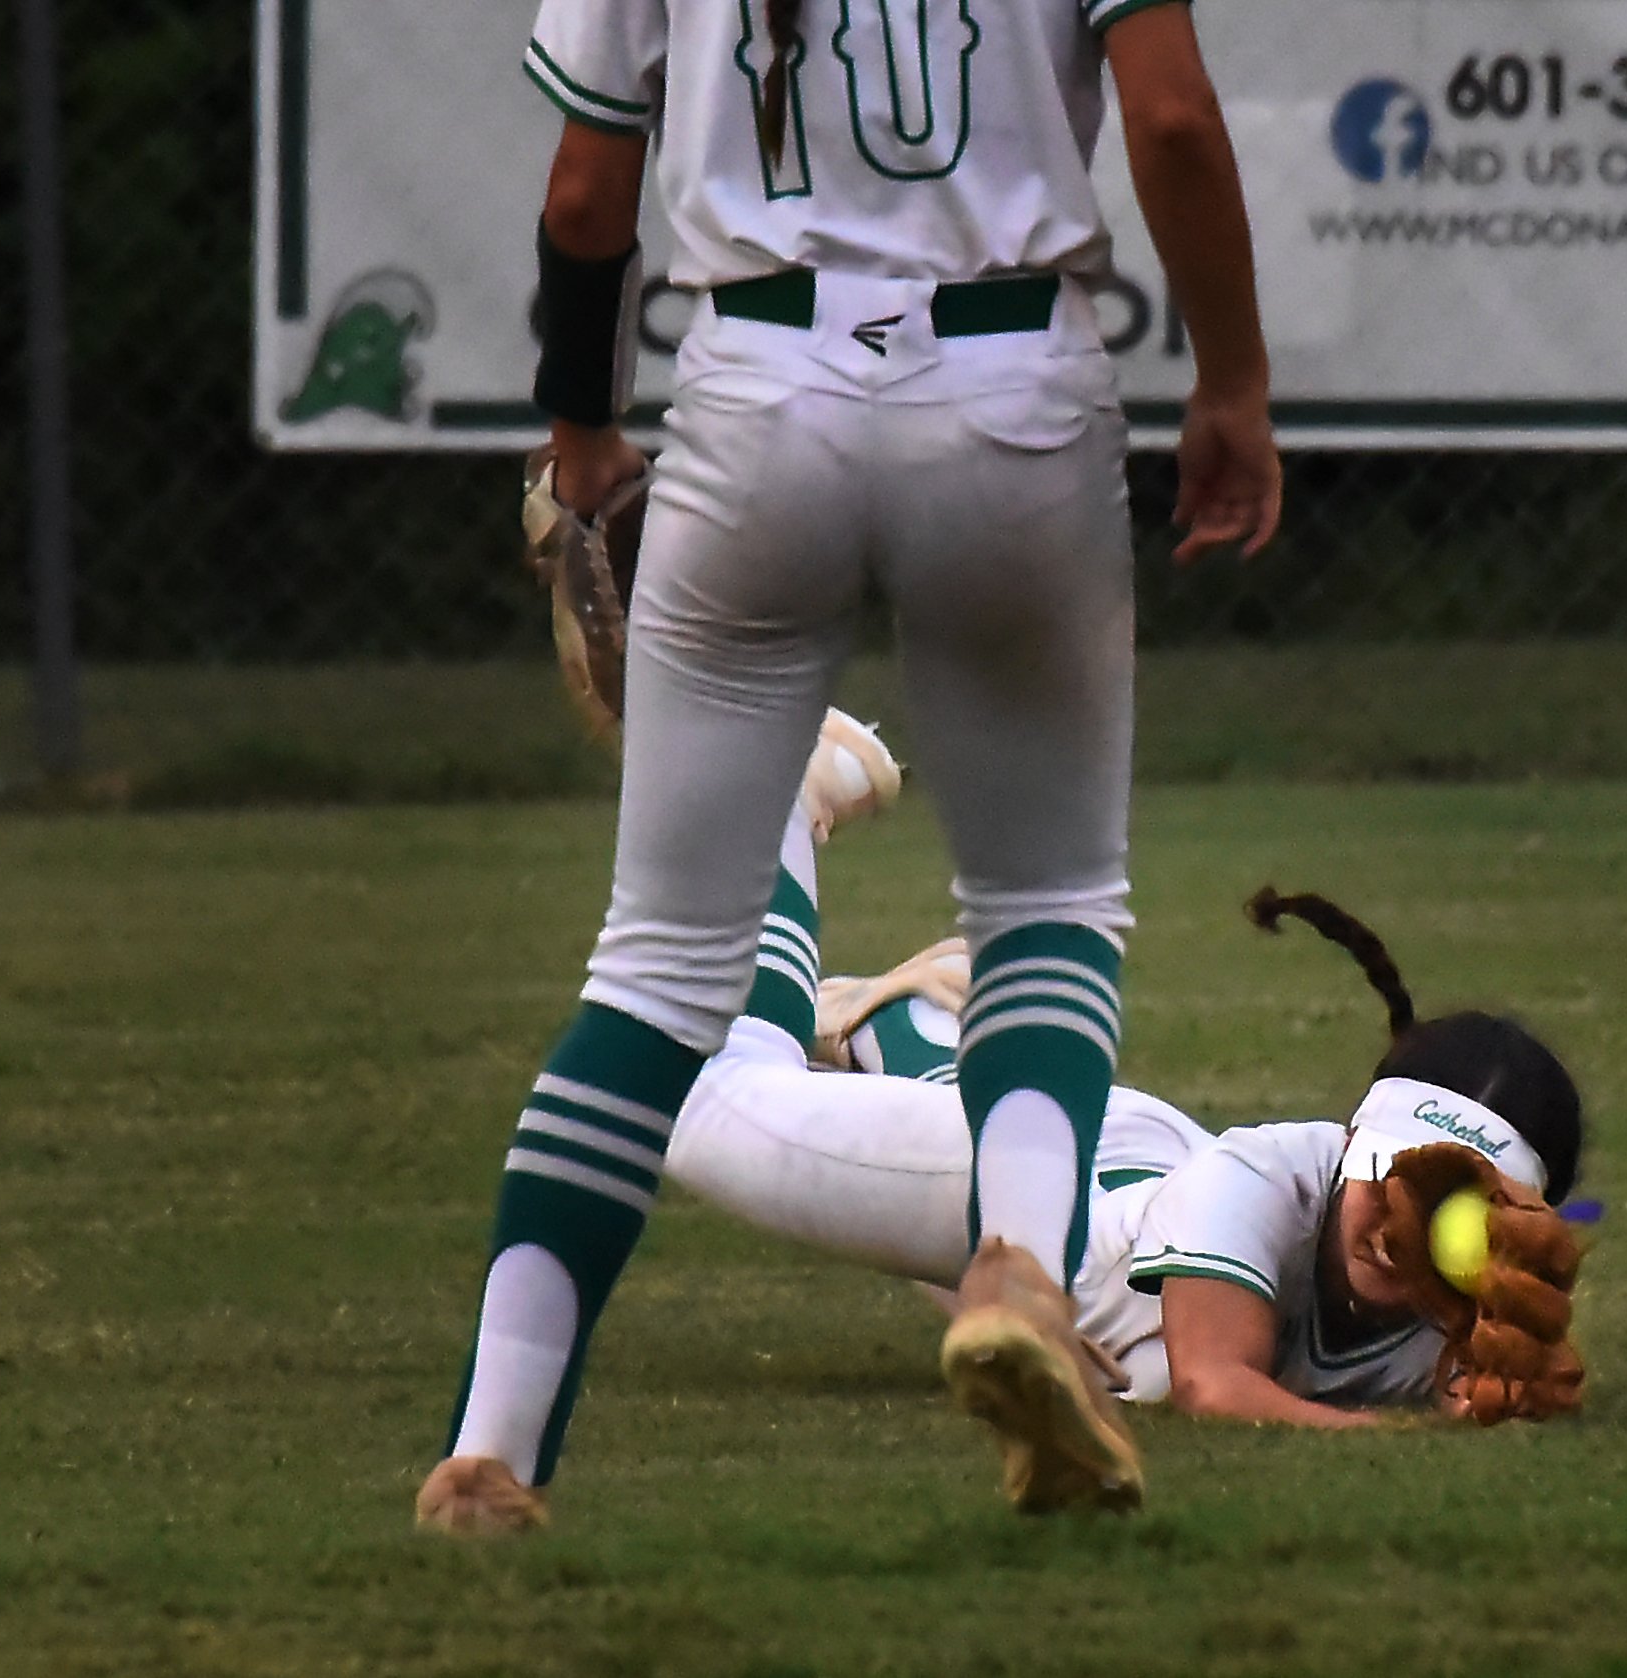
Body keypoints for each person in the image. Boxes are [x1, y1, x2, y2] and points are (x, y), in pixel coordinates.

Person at [419, 0, 1280, 1524]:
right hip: (1011, 388)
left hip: (758, 387)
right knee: (1045, 905)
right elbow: (1173, 126)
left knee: (660, 967)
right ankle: (1017, 1266)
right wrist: (1232, 384)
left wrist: (583, 429)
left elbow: (580, 194)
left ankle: (490, 1450)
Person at [659, 786, 1588, 1456]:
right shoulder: (1266, 1175)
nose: (1400, 1227)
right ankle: (782, 790)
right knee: (702, 1099)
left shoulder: (1467, 1308)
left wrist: (1488, 1391)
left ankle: (912, 1018)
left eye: (1454, 1207)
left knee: (943, 1092)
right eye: (1394, 1174)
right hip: (1036, 1202)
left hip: (1143, 1167)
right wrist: (1411, 1440)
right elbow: (1211, 1385)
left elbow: (1482, 1377)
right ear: (1351, 1145)